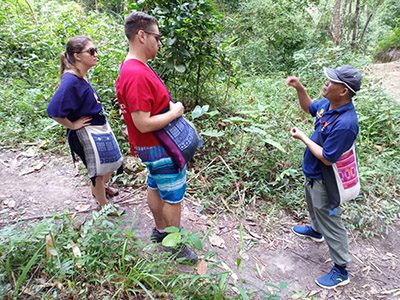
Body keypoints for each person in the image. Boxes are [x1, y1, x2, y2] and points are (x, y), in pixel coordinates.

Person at [115, 11, 198, 264]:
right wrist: (176, 111)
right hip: (160, 146)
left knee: (155, 186)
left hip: (150, 148)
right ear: (141, 36)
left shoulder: (134, 68)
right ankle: (174, 245)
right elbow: (143, 122)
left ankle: (161, 231)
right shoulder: (136, 73)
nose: (159, 43)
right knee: (173, 197)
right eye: (156, 37)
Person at [287, 65, 362, 289]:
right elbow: (309, 107)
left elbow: (328, 158)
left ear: (344, 92)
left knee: (331, 218)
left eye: (332, 81)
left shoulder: (346, 124)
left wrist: (303, 138)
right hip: (312, 173)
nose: (326, 83)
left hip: (325, 178)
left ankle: (341, 270)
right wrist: (299, 87)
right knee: (313, 204)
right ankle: (316, 230)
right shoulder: (329, 105)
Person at [47, 36, 123, 216]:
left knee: (113, 162)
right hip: (86, 133)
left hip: (98, 129)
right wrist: (72, 125)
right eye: (91, 51)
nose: (96, 54)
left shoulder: (80, 75)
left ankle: (101, 188)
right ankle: (103, 204)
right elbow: (53, 110)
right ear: (77, 56)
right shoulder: (70, 80)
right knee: (97, 170)